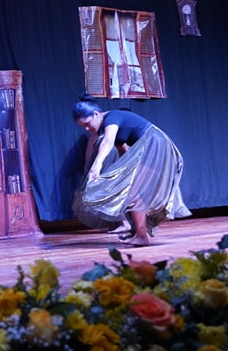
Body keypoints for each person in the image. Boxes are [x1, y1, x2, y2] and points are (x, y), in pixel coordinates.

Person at [71, 94, 191, 246]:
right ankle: (137, 232)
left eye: (87, 124)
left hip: (155, 145)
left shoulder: (111, 118)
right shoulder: (107, 127)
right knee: (129, 189)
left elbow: (107, 142)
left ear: (96, 114)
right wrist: (120, 176)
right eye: (84, 127)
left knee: (133, 191)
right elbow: (124, 152)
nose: (87, 129)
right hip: (151, 147)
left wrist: (97, 165)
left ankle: (141, 236)